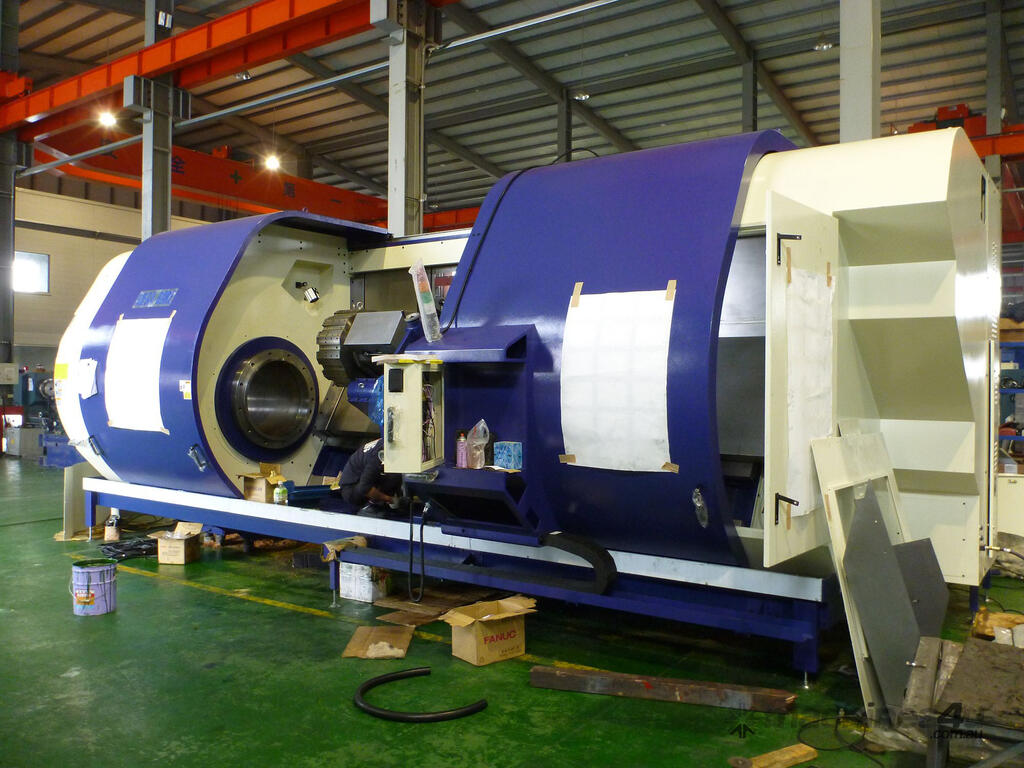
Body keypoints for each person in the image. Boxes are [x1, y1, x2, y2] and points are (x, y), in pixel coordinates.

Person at [338, 437, 403, 511]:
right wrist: (391, 500)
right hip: (352, 490)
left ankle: (393, 500)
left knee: (395, 475)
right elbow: (364, 488)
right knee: (394, 477)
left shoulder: (389, 441)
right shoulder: (378, 456)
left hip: (363, 478)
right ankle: (372, 507)